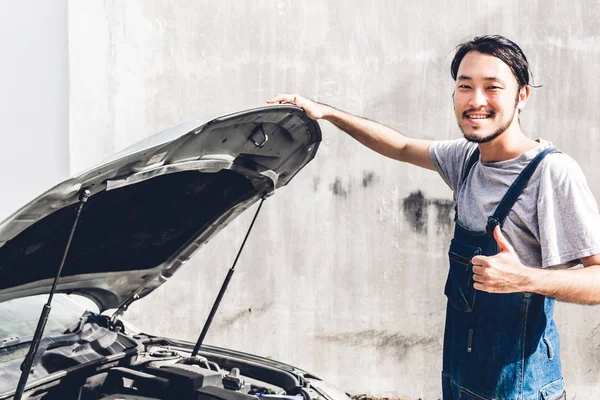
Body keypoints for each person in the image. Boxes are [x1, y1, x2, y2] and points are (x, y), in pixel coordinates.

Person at [268, 35, 600, 400]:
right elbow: (401, 145)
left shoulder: (551, 173)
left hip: (520, 388)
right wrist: (326, 112)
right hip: (461, 376)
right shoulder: (467, 159)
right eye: (465, 86)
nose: (476, 100)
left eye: (493, 88)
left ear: (521, 95)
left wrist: (526, 278)